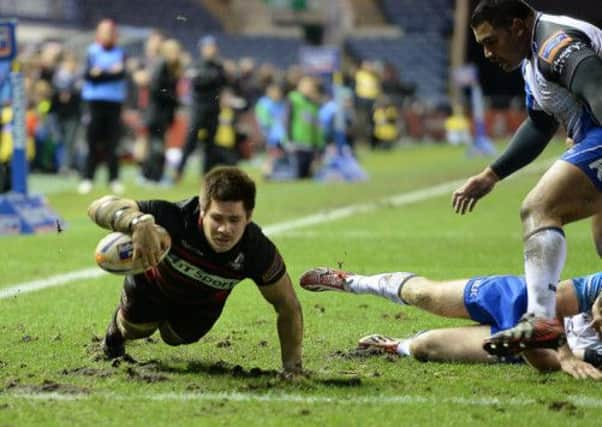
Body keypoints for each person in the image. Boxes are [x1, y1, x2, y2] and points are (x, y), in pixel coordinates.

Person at [451, 0, 602, 356]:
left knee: (539, 207)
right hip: (591, 135)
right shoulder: (533, 59)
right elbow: (539, 123)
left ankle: (540, 318)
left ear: (518, 27)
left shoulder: (557, 45)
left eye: (491, 41)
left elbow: (598, 89)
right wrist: (491, 174)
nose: (487, 53)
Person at [87, 166, 304, 375]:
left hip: (202, 305)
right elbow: (98, 206)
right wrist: (136, 222)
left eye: (235, 220)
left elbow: (288, 306)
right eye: (217, 218)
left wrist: (292, 369)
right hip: (152, 287)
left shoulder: (257, 250)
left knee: (175, 337)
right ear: (202, 211)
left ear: (249, 216)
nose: (224, 229)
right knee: (136, 329)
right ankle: (115, 334)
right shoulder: (175, 217)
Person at [299, 267, 602, 379]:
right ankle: (351, 281)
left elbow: (568, 364)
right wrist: (562, 349)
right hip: (521, 298)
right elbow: (557, 297)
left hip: (536, 346)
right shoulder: (598, 284)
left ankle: (398, 345)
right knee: (426, 295)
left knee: (425, 347)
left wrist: (562, 357)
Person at [79, 19, 127, 195]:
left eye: (110, 31)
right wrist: (109, 73)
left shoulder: (121, 52)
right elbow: (88, 75)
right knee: (92, 141)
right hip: (94, 103)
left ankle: (114, 179)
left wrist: (101, 73)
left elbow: (120, 74)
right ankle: (87, 178)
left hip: (114, 103)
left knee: (113, 143)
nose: (107, 35)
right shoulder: (91, 51)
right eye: (104, 31)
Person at [176, 36, 227, 180]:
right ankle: (179, 170)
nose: (211, 50)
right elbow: (198, 82)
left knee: (210, 143)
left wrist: (206, 78)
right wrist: (211, 78)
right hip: (197, 109)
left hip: (213, 109)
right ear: (202, 49)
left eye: (213, 47)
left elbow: (221, 81)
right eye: (208, 47)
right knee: (190, 141)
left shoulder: (218, 66)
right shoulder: (195, 65)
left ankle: (206, 175)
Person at [140, 39, 183, 184]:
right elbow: (157, 88)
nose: (176, 54)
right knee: (157, 146)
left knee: (156, 145)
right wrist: (176, 100)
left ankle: (149, 176)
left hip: (160, 113)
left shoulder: (169, 67)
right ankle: (154, 177)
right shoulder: (162, 65)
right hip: (157, 113)